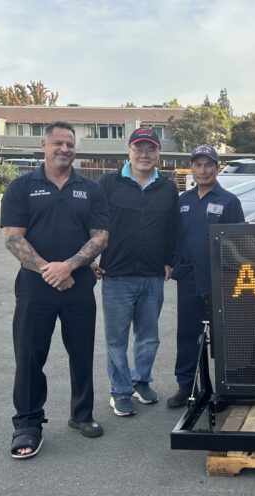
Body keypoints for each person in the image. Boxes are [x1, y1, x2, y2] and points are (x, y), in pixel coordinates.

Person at [0, 121, 109, 459]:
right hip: (36, 287)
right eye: (58, 143)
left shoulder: (90, 189)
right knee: (30, 356)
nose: (64, 149)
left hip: (79, 286)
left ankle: (82, 414)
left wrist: (70, 267)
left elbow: (100, 236)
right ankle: (27, 424)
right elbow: (12, 237)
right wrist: (52, 271)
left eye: (70, 144)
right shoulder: (21, 187)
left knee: (82, 353)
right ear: (43, 145)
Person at [91, 128, 178, 417]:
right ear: (128, 151)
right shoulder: (109, 183)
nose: (144, 154)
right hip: (116, 275)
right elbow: (90, 221)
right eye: (139, 148)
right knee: (117, 340)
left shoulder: (167, 188)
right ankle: (119, 392)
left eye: (150, 149)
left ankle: (141, 381)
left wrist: (168, 260)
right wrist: (88, 258)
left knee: (148, 337)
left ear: (158, 154)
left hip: (153, 277)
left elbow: (171, 228)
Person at [167, 144, 244, 408]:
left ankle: (227, 387)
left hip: (219, 280)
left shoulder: (229, 202)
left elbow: (240, 243)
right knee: (187, 334)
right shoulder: (184, 201)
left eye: (208, 165)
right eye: (198, 165)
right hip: (189, 280)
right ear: (191, 168)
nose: (203, 170)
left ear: (217, 168)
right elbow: (175, 238)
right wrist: (175, 265)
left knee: (223, 336)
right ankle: (186, 386)